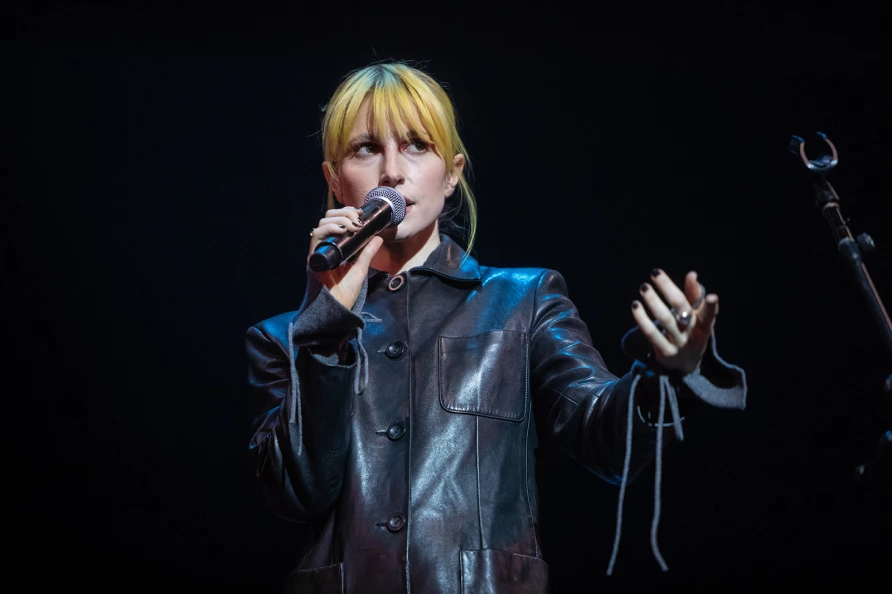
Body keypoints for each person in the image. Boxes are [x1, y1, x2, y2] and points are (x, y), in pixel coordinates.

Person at [245, 61, 746, 594]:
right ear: (334, 179)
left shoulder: (521, 302)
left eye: (416, 145)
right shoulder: (285, 338)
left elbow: (602, 434)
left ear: (453, 171)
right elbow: (296, 492)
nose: (392, 171)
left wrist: (663, 376)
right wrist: (325, 327)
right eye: (366, 149)